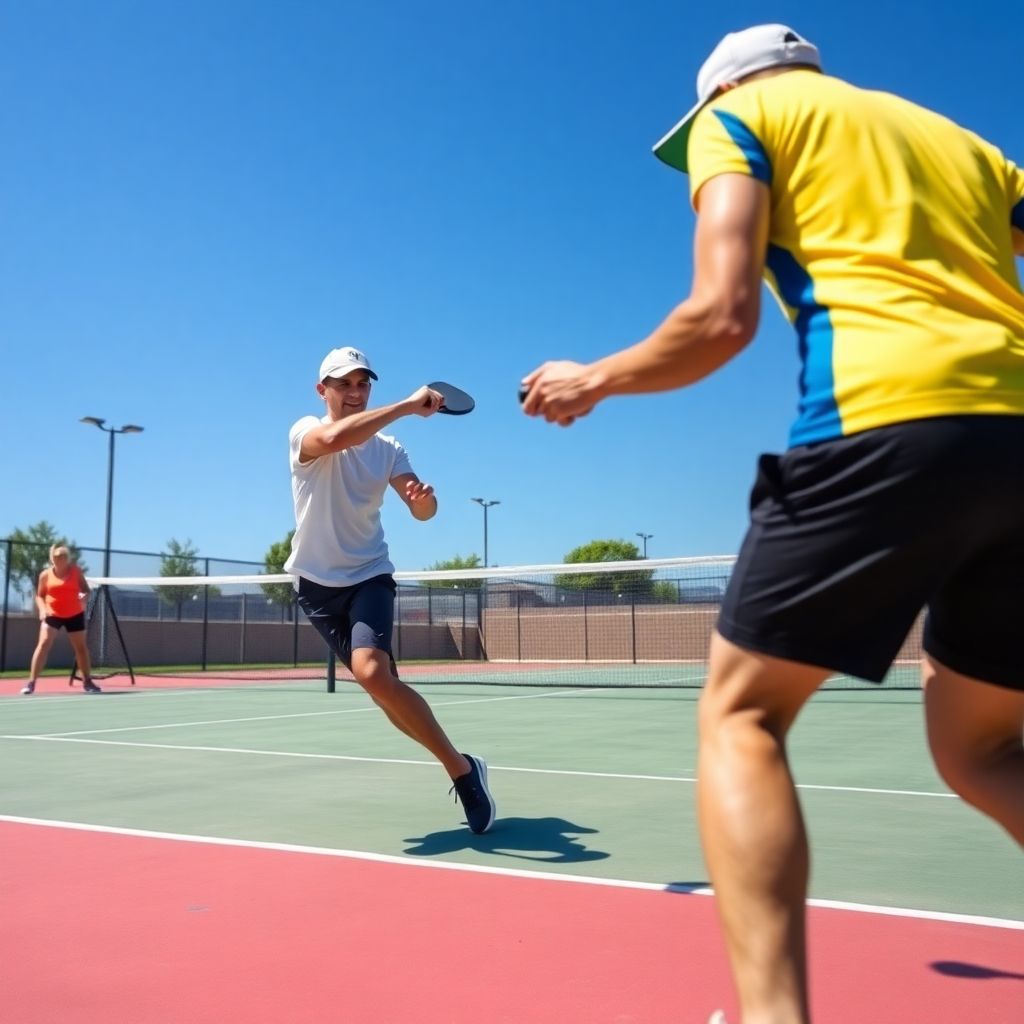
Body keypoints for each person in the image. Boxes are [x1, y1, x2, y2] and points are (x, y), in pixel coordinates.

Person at [521, 23, 1024, 1023]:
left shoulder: (740, 118)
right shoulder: (967, 145)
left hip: (882, 421)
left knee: (741, 717)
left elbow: (721, 316)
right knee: (985, 750)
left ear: (725, 91)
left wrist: (596, 377)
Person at [284, 346, 496, 834]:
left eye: (363, 384)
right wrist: (405, 404)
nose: (355, 392)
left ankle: (461, 775)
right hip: (316, 585)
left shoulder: (391, 449)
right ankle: (466, 764)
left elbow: (422, 512)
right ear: (324, 391)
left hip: (369, 575)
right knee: (381, 690)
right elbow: (335, 438)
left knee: (373, 673)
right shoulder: (303, 432)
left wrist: (425, 503)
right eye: (345, 384)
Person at [23, 545, 101, 695]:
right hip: (52, 614)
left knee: (81, 648)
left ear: (67, 558)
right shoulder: (45, 575)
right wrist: (43, 610)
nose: (59, 559)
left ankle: (87, 682)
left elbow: (85, 590)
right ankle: (31, 683)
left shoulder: (76, 572)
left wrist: (84, 598)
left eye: (63, 556)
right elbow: (39, 595)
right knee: (44, 643)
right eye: (57, 557)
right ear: (52, 558)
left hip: (74, 614)